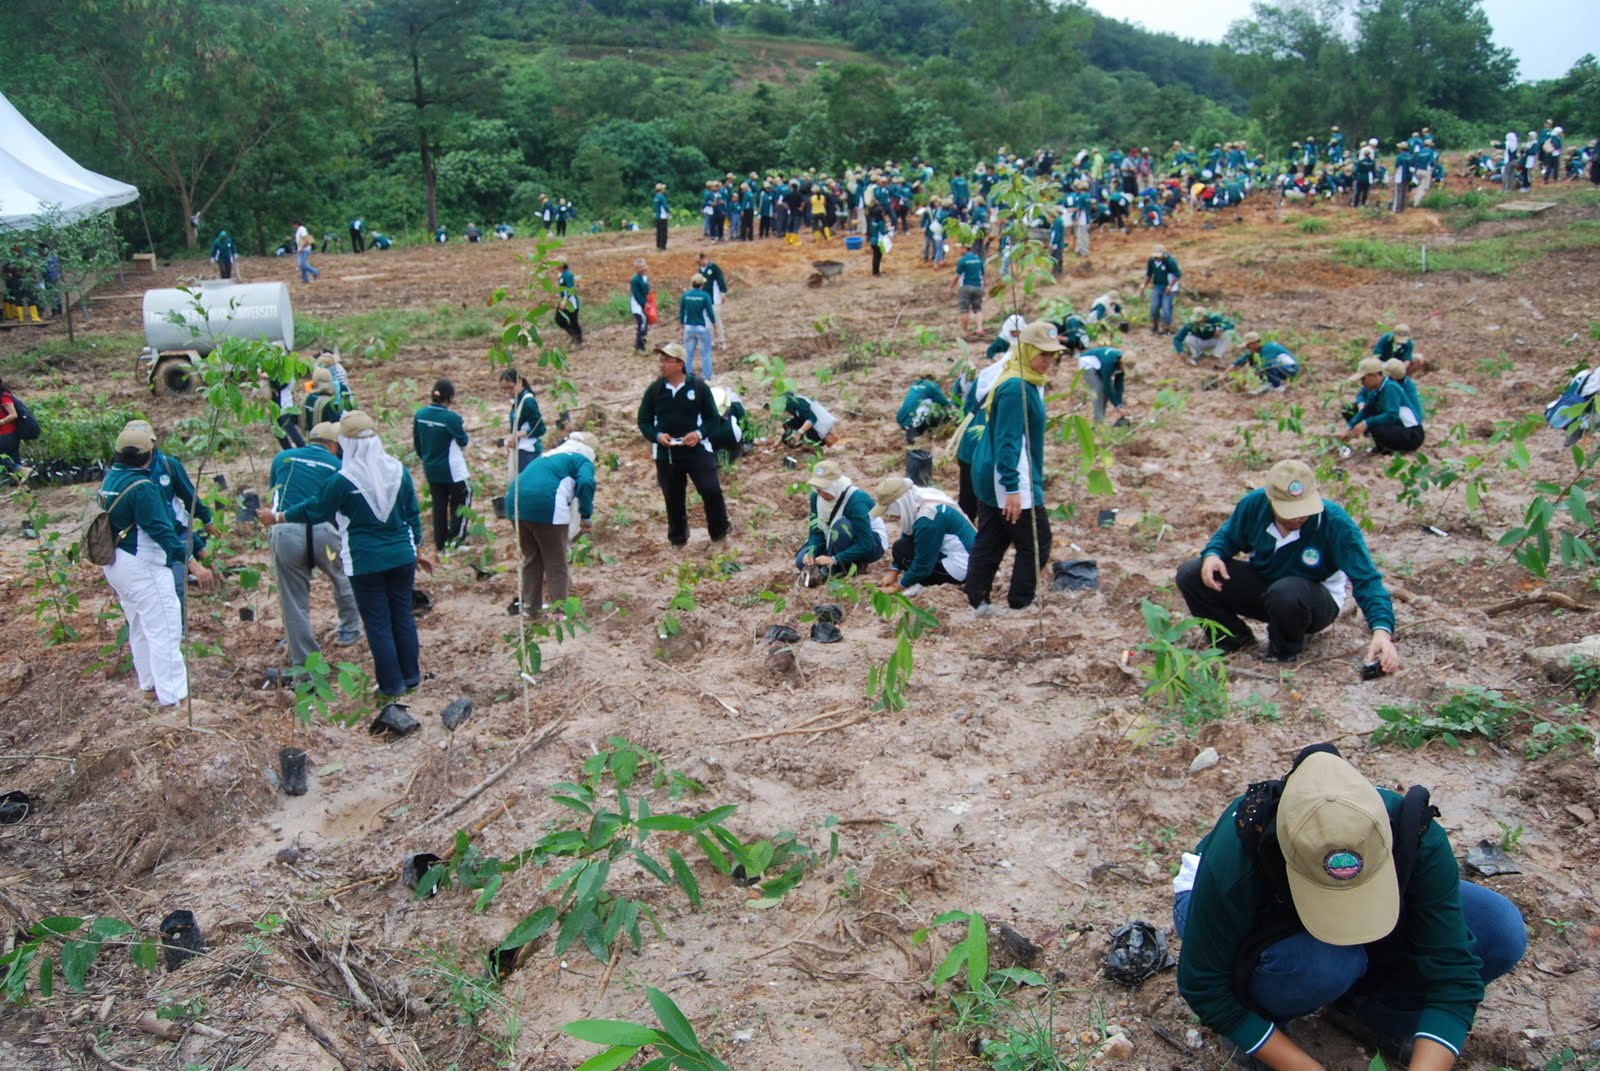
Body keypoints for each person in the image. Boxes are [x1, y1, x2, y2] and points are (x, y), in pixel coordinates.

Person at [1173, 743, 1525, 1071]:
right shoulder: (1242, 847)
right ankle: (1259, 1019)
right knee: (1325, 963)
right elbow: (1204, 984)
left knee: (1498, 928)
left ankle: (1370, 1013)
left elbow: (1454, 972)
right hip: (1231, 911)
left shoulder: (1411, 832)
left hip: (1306, 912)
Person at [260, 412, 429, 702]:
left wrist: (278, 516)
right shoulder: (398, 471)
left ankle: (391, 686)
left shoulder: (344, 480)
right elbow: (412, 514)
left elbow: (315, 509)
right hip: (401, 555)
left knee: (378, 623)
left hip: (366, 561)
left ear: (346, 444)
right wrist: (417, 549)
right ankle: (411, 677)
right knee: (402, 616)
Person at [1176, 458, 1398, 666]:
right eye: (1289, 512)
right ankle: (1235, 641)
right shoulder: (1255, 505)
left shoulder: (1336, 524)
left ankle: (1283, 652)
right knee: (1191, 573)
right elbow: (1227, 536)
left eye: (1304, 509)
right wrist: (1213, 554)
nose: (1298, 517)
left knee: (1288, 592)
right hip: (1267, 586)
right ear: (1271, 501)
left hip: (1314, 600)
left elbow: (1367, 579)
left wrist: (1381, 631)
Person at [97, 425, 213, 707]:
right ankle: (175, 699)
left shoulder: (110, 480)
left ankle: (149, 687)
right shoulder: (143, 488)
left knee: (139, 627)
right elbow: (163, 532)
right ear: (149, 455)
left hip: (116, 563)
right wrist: (193, 564)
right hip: (142, 566)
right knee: (165, 629)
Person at [965, 321, 1059, 617]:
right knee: (1036, 541)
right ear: (1026, 350)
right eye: (1042, 353)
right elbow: (1009, 441)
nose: (1048, 360)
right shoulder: (1017, 388)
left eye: (1052, 354)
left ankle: (977, 601)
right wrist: (1013, 488)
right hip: (1005, 475)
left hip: (993, 471)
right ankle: (1020, 603)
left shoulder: (1023, 380)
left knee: (993, 536)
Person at [264, 422, 363, 675]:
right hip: (324, 533)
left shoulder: (282, 458)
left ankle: (304, 661)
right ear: (333, 445)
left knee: (293, 598)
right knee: (343, 577)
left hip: (286, 532)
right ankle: (350, 630)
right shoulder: (337, 465)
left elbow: (274, 495)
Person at [637, 342, 730, 549]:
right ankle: (678, 542)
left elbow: (713, 418)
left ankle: (719, 536)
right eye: (660, 360)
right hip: (666, 454)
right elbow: (643, 421)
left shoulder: (698, 387)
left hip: (697, 450)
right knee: (673, 498)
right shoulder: (655, 390)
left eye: (666, 360)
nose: (661, 365)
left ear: (680, 364)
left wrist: (698, 434)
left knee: (711, 491)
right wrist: (657, 436)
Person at [504, 431, 597, 615]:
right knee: (556, 561)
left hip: (514, 504)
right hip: (546, 506)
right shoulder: (582, 461)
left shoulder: (546, 458)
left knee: (531, 558)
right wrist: (586, 516)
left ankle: (531, 608)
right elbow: (587, 482)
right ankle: (560, 612)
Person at [871, 475, 975, 594]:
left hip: (963, 568)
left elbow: (923, 565)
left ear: (900, 504)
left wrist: (897, 587)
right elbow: (907, 538)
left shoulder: (928, 519)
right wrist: (893, 571)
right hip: (972, 559)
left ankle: (925, 583)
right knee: (901, 548)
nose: (892, 515)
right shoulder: (921, 499)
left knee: (908, 555)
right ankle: (921, 580)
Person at [794, 459, 887, 580]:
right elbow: (816, 531)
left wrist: (834, 559)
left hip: (871, 543)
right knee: (801, 562)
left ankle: (849, 565)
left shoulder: (856, 500)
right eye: (817, 488)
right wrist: (811, 551)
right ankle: (835, 564)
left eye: (824, 488)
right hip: (832, 539)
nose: (821, 493)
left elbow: (865, 543)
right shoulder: (816, 497)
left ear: (834, 485)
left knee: (841, 526)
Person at [413, 378, 471, 553]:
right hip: (452, 470)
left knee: (439, 506)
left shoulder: (420, 415)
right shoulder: (450, 418)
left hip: (431, 468)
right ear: (450, 397)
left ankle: (440, 545)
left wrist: (426, 458)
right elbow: (463, 441)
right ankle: (454, 542)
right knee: (462, 500)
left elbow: (417, 442)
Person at [1343, 358, 1423, 455]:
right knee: (1372, 418)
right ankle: (1384, 448)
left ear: (1374, 375)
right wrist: (1349, 427)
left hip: (1412, 435)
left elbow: (1392, 415)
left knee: (1375, 425)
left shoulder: (1390, 387)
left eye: (1363, 379)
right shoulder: (1377, 390)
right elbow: (1366, 410)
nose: (1362, 383)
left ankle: (1391, 450)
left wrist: (1366, 423)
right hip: (1401, 429)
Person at [501, 368, 546, 473]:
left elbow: (540, 428)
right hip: (520, 450)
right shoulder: (517, 401)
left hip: (529, 450)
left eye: (510, 387)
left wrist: (519, 434)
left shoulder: (528, 401)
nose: (508, 392)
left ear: (519, 382)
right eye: (504, 389)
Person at [1077, 346, 1129, 425]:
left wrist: (1120, 404)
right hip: (1087, 362)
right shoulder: (1108, 363)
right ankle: (1098, 421)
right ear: (1121, 362)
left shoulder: (1121, 366)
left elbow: (1119, 386)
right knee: (1098, 389)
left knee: (1104, 392)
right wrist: (1117, 406)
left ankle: (1101, 419)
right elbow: (1108, 385)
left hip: (1099, 363)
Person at [679, 272, 718, 380]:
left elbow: (681, 312)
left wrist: (681, 328)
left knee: (688, 353)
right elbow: (710, 312)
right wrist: (715, 326)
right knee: (705, 353)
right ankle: (706, 376)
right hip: (702, 327)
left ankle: (686, 375)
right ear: (702, 284)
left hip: (689, 327)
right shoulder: (705, 296)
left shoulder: (686, 296)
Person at [1232, 333, 1300, 392]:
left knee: (1267, 365)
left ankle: (1277, 386)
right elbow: (1239, 361)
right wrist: (1228, 372)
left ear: (1254, 343)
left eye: (1248, 346)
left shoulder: (1268, 348)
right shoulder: (1256, 350)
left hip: (1291, 369)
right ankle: (1269, 383)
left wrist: (1246, 378)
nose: (1247, 348)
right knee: (1254, 361)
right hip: (1281, 368)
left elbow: (1264, 366)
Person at [896, 377, 956, 442]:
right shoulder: (931, 386)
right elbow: (944, 403)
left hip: (902, 418)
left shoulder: (916, 384)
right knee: (939, 412)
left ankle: (911, 432)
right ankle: (927, 433)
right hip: (914, 422)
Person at [1140, 245, 1181, 334]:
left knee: (1166, 308)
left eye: (1159, 256)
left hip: (1169, 287)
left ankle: (1167, 329)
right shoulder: (1151, 260)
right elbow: (1149, 274)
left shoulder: (1170, 261)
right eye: (1156, 256)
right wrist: (1143, 285)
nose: (1158, 258)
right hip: (1158, 286)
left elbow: (1177, 275)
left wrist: (1170, 286)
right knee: (1154, 307)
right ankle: (1155, 326)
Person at [773, 392, 840, 447]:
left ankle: (810, 447)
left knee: (788, 436)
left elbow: (812, 419)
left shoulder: (795, 403)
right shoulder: (797, 402)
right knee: (790, 424)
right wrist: (779, 441)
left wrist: (798, 433)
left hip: (823, 430)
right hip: (821, 427)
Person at [951, 241, 985, 339]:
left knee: (964, 310)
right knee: (978, 309)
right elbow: (983, 275)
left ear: (965, 248)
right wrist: (984, 287)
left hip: (965, 287)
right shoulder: (978, 259)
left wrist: (951, 286)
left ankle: (965, 331)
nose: (959, 250)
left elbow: (958, 275)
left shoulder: (963, 260)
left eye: (961, 248)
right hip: (978, 287)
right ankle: (979, 328)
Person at [696, 253, 729, 343]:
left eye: (699, 262)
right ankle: (710, 340)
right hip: (705, 299)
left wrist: (723, 293)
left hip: (714, 298)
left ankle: (721, 339)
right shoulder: (700, 270)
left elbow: (720, 279)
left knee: (716, 318)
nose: (698, 264)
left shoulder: (713, 267)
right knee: (706, 321)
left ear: (704, 259)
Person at [555, 262, 582, 346]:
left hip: (570, 302)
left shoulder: (568, 275)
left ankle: (578, 340)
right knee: (559, 319)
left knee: (573, 321)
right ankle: (573, 335)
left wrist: (565, 300)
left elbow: (571, 289)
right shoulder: (561, 274)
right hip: (563, 300)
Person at [0, 377, 22, 479]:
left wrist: (1, 422)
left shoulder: (4, 396)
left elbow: (13, 414)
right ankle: (22, 484)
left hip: (7, 434)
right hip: (8, 434)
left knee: (8, 460)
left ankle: (19, 469)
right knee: (14, 459)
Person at [629, 259, 651, 353]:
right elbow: (636, 295)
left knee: (644, 325)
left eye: (644, 266)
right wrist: (644, 304)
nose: (643, 269)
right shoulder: (635, 280)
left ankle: (639, 344)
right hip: (637, 307)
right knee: (642, 325)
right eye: (641, 267)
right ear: (636, 269)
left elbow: (646, 290)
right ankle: (640, 346)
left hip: (643, 305)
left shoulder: (645, 277)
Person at [867, 204, 889, 276]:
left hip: (873, 241)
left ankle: (875, 271)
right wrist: (889, 229)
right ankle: (876, 272)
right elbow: (883, 232)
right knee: (878, 257)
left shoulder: (873, 221)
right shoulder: (881, 222)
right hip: (878, 242)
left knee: (875, 257)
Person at [652, 183, 670, 251]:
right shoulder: (662, 197)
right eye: (663, 189)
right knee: (663, 232)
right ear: (661, 190)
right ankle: (663, 246)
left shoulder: (655, 197)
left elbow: (654, 207)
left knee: (659, 232)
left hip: (657, 216)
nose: (664, 190)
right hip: (663, 216)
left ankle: (658, 245)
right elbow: (665, 206)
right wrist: (669, 212)